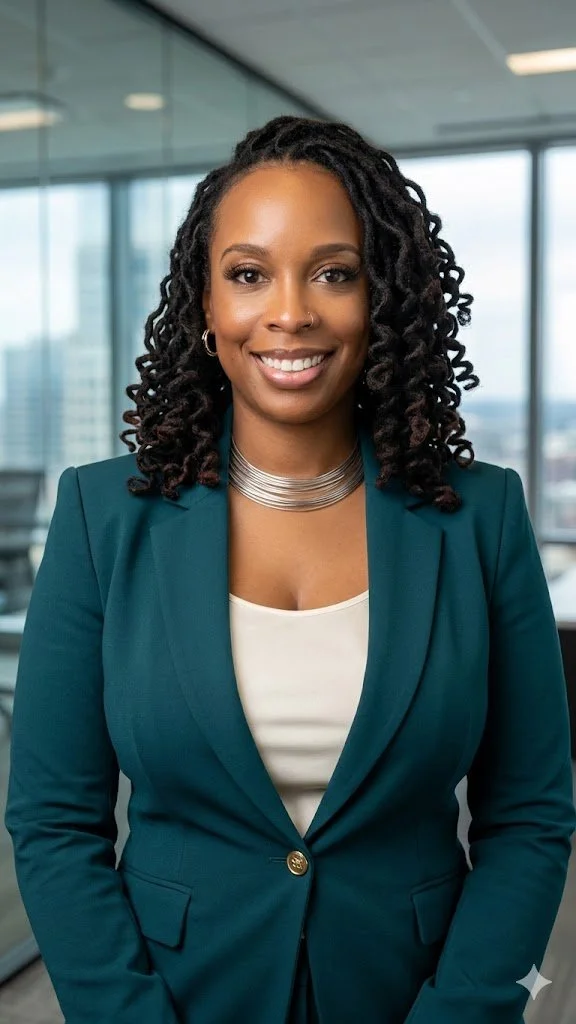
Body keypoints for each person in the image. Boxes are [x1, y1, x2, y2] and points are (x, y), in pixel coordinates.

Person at [4, 114, 575, 1024]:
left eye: (334, 273)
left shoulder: (482, 518)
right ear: (204, 305)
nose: (290, 312)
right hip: (177, 996)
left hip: (411, 994)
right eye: (248, 273)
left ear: (379, 299)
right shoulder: (101, 517)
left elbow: (533, 817)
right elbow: (52, 822)